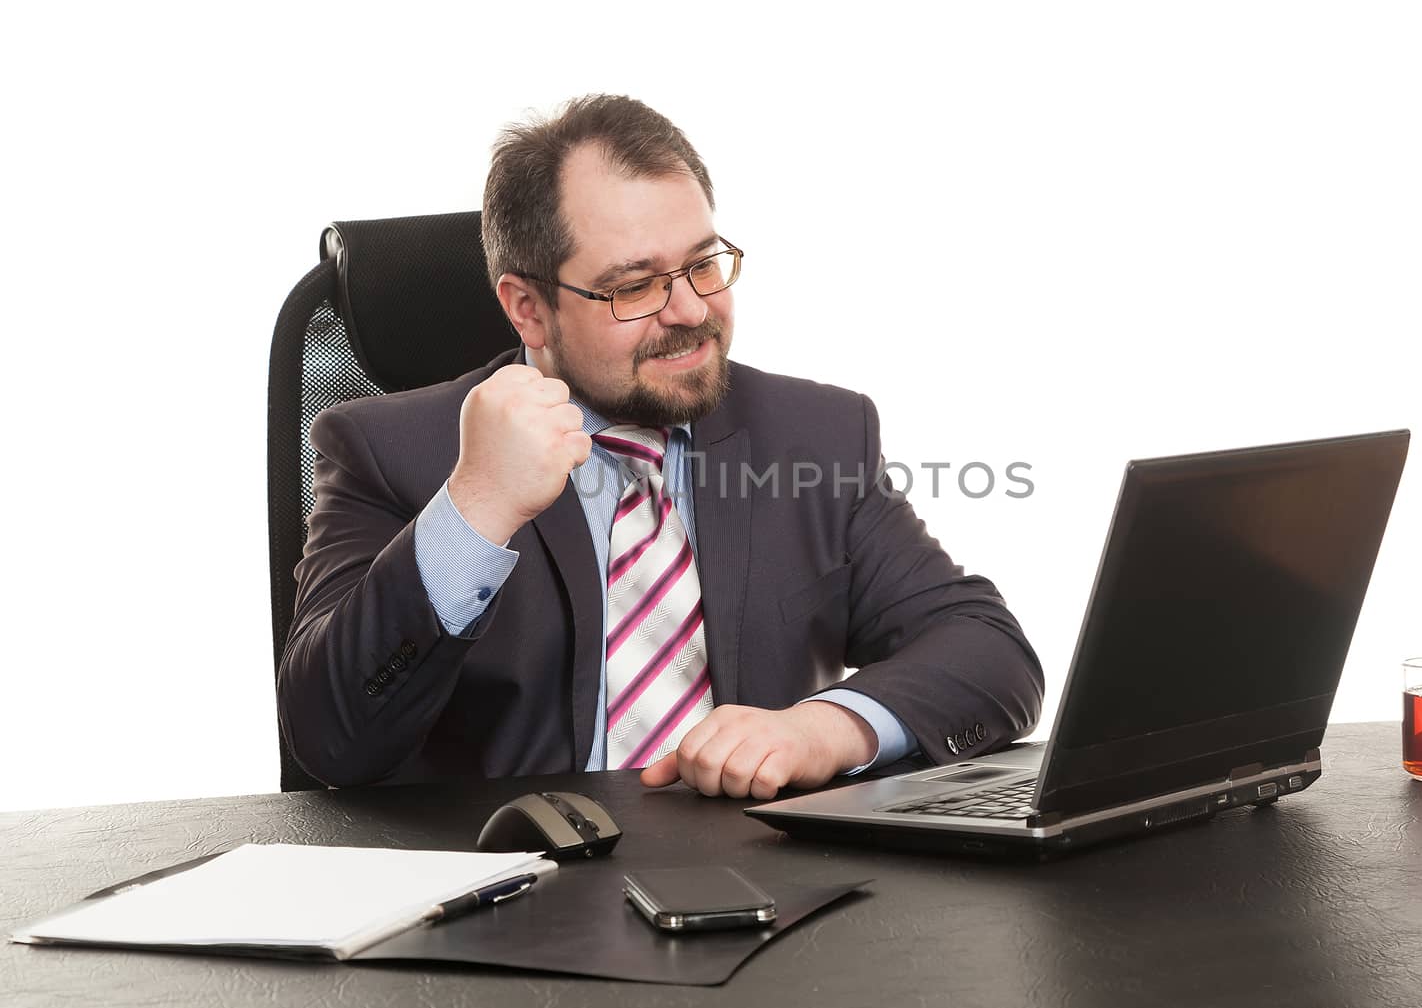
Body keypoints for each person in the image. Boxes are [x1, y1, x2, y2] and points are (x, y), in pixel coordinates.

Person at [278, 94, 1043, 798]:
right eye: (635, 285)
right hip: (512, 907)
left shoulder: (818, 432)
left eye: (704, 264)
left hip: (764, 896)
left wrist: (822, 728)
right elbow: (330, 740)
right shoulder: (389, 447)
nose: (690, 309)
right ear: (529, 309)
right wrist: (476, 506)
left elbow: (988, 649)